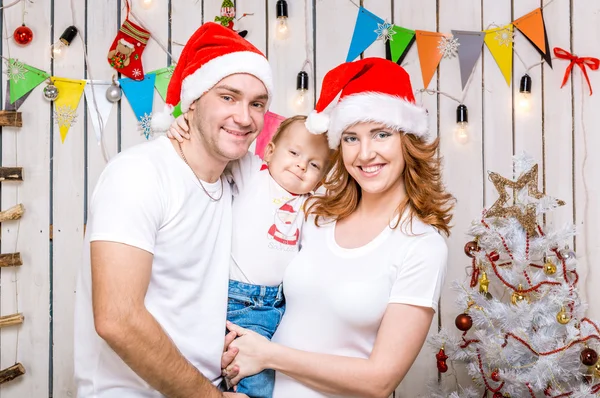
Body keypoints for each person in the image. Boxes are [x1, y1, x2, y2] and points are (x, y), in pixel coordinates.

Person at [222, 57, 456, 397]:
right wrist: (185, 132)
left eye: (381, 134)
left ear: (409, 141)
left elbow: (380, 380)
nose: (365, 154)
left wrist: (269, 355)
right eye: (350, 138)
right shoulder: (317, 214)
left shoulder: (421, 245)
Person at [73, 21, 274, 398]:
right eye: (228, 97)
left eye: (257, 104)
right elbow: (117, 319)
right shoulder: (138, 174)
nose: (245, 117)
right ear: (193, 100)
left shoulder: (238, 179)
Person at [168, 114, 332, 398]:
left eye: (314, 164)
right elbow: (215, 144)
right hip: (235, 298)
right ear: (269, 151)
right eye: (293, 152)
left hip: (278, 307)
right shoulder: (254, 174)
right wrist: (186, 125)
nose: (301, 165)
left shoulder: (311, 204)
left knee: (261, 377)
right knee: (236, 377)